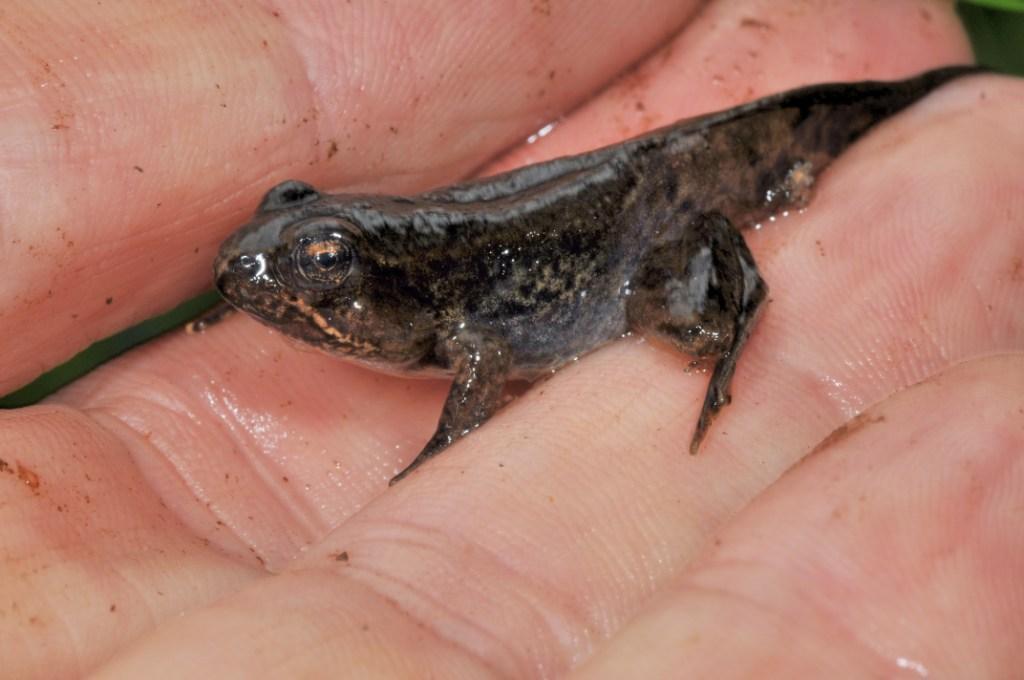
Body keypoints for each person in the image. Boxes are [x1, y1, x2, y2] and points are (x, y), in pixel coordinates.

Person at [1, 1, 1021, 676]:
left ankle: (758, 266)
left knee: (679, 316)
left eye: (320, 258)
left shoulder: (451, 311)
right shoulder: (416, 295)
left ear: (377, 269)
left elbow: (482, 353)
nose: (279, 269)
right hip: (603, 202)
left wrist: (448, 444)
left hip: (636, 213)